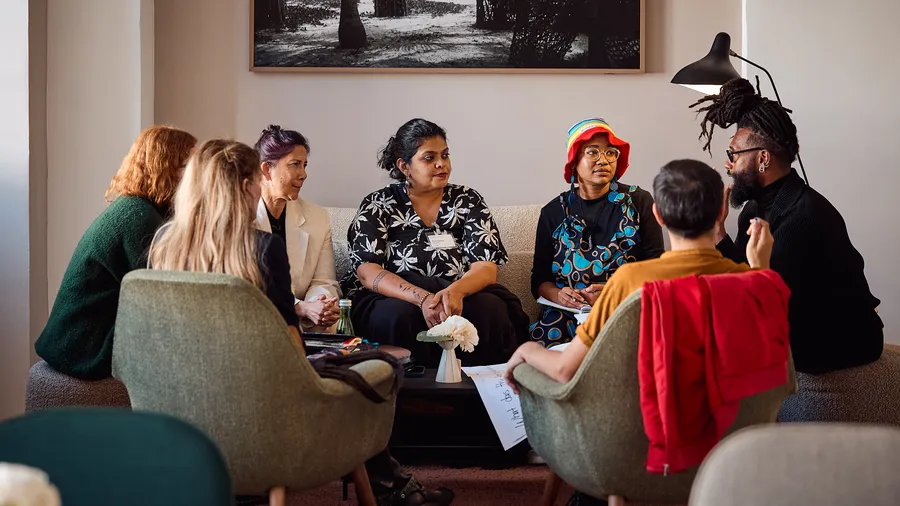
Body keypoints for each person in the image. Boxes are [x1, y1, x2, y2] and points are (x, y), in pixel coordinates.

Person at [150, 139, 454, 506]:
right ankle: (392, 489)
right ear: (249, 185)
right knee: (375, 368)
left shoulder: (165, 245)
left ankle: (390, 485)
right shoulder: (261, 248)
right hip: (265, 400)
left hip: (181, 402)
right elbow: (289, 346)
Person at [505, 159, 774, 391]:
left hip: (656, 442)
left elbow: (564, 370)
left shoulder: (631, 280)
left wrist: (526, 350)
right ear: (721, 212)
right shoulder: (752, 283)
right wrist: (760, 271)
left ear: (657, 215)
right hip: (735, 442)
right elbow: (772, 367)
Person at [690, 77, 883, 374]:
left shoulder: (803, 216)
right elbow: (743, 274)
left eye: (733, 154)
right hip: (794, 317)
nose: (728, 164)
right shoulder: (754, 208)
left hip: (846, 338)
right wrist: (718, 232)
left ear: (763, 158)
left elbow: (758, 299)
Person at [341, 118, 530, 367]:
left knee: (490, 310)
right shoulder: (379, 204)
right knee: (395, 316)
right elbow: (368, 271)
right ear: (404, 166)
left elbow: (485, 267)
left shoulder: (467, 200)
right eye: (429, 158)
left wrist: (454, 293)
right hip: (397, 296)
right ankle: (409, 401)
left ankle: (477, 400)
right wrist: (422, 299)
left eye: (445, 155)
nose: (442, 164)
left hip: (460, 291)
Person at [35, 125, 197, 379]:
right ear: (167, 167)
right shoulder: (138, 216)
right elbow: (163, 296)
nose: (196, 176)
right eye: (189, 165)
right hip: (84, 344)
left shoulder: (139, 209)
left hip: (81, 336)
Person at [530, 118, 664, 348]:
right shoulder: (553, 212)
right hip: (568, 313)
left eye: (611, 153)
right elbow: (539, 279)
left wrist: (614, 293)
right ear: (574, 162)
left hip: (625, 306)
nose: (603, 160)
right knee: (546, 336)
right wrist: (558, 295)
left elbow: (656, 267)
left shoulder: (639, 202)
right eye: (592, 152)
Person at [254, 125, 341, 332]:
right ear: (267, 169)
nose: (303, 175)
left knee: (332, 320)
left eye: (304, 165)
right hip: (257, 318)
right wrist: (300, 307)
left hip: (303, 324)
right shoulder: (241, 217)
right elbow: (248, 286)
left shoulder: (317, 217)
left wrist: (320, 304)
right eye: (295, 165)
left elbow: (324, 279)